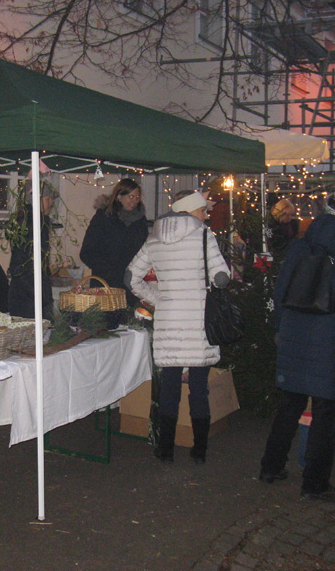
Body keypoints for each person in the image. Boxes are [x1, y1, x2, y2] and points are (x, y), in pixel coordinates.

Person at [259, 178, 335, 502]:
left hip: (295, 333)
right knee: (325, 414)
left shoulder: (301, 244)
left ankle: (270, 467)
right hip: (332, 341)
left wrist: (280, 328)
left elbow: (281, 291)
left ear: (327, 208)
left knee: (289, 406)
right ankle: (314, 484)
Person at [127, 190, 231, 464]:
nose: (206, 215)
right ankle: (199, 451)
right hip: (198, 322)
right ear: (192, 210)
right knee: (198, 388)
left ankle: (165, 449)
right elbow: (221, 278)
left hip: (169, 320)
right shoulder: (204, 236)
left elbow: (131, 277)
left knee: (170, 388)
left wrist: (158, 299)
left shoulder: (154, 237)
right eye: (203, 210)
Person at [80, 178, 148, 308]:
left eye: (137, 197)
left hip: (131, 285)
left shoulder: (140, 221)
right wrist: (108, 271)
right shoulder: (104, 217)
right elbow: (87, 252)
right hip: (106, 286)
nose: (134, 201)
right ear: (119, 196)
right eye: (131, 196)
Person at [8, 180, 58, 320]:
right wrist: (38, 293)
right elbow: (23, 261)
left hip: (29, 291)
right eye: (47, 199)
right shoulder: (31, 224)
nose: (50, 203)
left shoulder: (34, 222)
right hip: (29, 295)